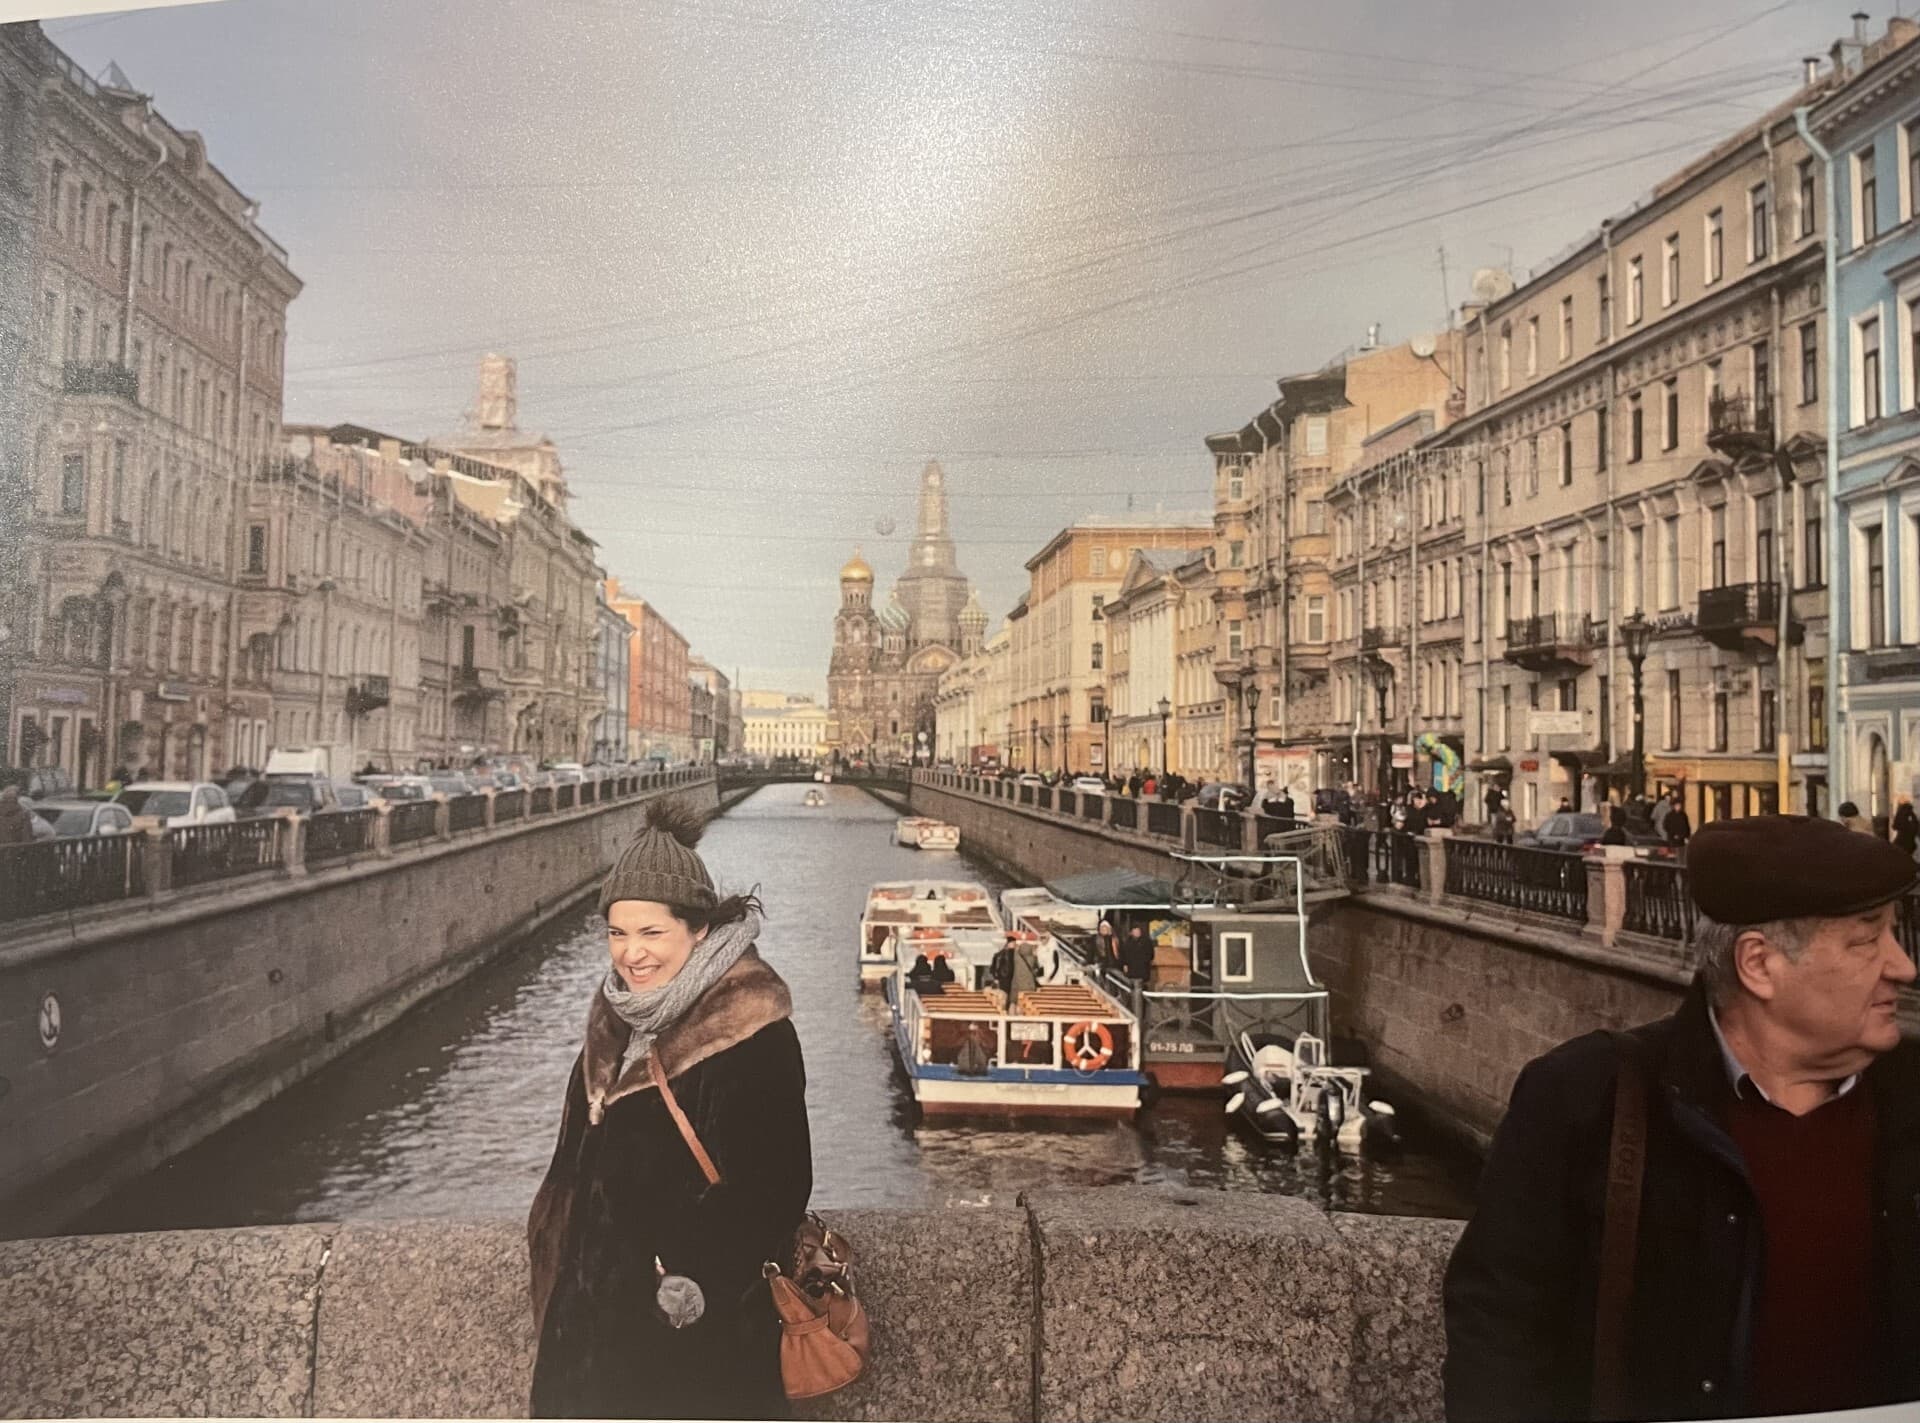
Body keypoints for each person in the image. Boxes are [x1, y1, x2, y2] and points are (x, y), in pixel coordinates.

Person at [1443, 814, 1920, 1422]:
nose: (1903, 966)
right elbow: (1496, 1336)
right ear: (1759, 964)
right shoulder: (1589, 1098)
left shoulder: (1907, 1100)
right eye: (1866, 940)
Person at [527, 797, 811, 1420]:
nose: (632, 953)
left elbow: (778, 1187)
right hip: (588, 1336)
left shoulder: (751, 1031)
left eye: (651, 933)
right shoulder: (614, 1023)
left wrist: (681, 1274)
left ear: (699, 928)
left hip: (690, 1343)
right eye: (618, 933)